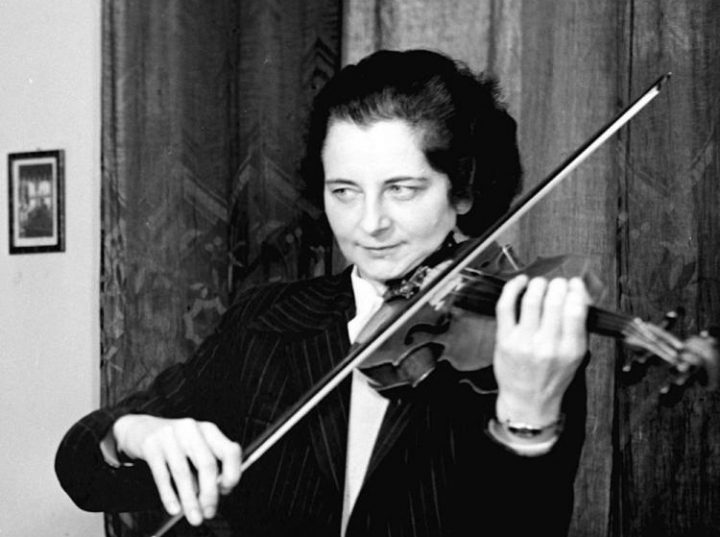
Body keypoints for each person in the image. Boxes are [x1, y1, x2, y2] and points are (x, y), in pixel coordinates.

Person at [55, 49, 591, 537]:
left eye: (402, 189)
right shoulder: (267, 320)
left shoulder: (523, 341)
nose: (370, 223)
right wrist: (134, 433)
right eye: (345, 191)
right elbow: (84, 469)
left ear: (463, 191)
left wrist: (527, 415)